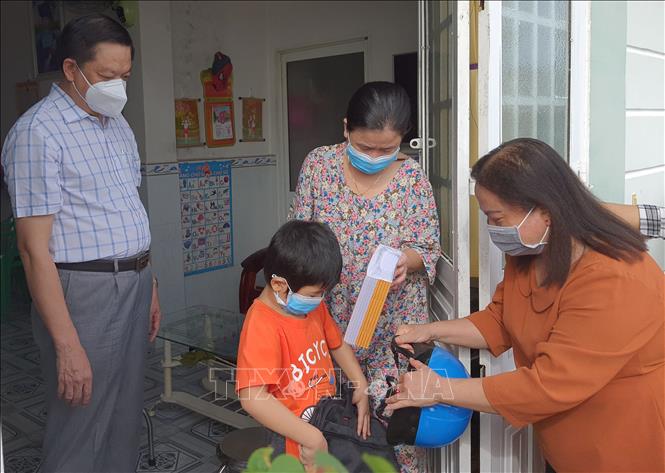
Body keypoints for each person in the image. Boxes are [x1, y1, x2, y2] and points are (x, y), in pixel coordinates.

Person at [386, 138, 664, 472]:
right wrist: (429, 330)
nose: (492, 229)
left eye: (497, 218)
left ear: (545, 211)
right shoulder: (531, 252)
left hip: (624, 449)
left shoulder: (617, 278)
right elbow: (500, 320)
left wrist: (439, 390)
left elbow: (548, 385)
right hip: (566, 448)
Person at [1, 14, 160, 472]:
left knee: (125, 411)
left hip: (134, 280)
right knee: (81, 418)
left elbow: (127, 209)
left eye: (125, 76)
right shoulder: (37, 133)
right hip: (84, 290)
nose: (118, 88)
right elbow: (33, 250)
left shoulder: (118, 125)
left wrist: (149, 282)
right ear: (71, 69)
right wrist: (67, 344)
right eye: (107, 76)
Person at [289, 81, 440, 472]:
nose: (374, 157)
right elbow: (298, 238)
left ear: (402, 139)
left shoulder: (412, 180)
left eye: (386, 149)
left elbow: (428, 247)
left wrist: (407, 260)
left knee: (395, 424)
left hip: (393, 326)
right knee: (330, 421)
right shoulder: (319, 166)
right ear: (345, 128)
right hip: (331, 321)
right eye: (365, 147)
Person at [236, 220, 370, 470]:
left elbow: (337, 344)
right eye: (313, 295)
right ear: (279, 285)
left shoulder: (313, 307)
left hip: (324, 421)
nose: (319, 300)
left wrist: (360, 383)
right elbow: (253, 398)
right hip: (292, 438)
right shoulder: (261, 324)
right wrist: (311, 438)